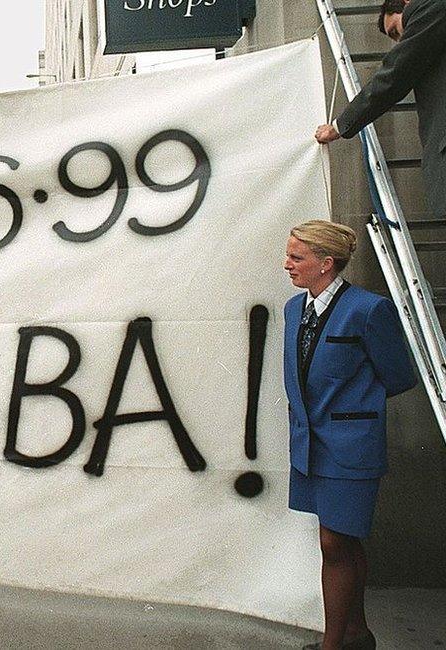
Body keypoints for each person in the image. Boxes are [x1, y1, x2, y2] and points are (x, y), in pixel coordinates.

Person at [283, 220, 416, 650]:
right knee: (343, 538)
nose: (287, 265)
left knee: (333, 540)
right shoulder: (292, 309)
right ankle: (357, 634)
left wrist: (354, 412)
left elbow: (397, 375)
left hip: (350, 448)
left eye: (296, 257)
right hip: (310, 445)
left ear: (326, 263)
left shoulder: (368, 309)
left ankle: (332, 644)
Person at [314, 0, 446, 218]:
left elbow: (395, 74)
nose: (400, 41)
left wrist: (339, 126)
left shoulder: (431, 8)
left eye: (395, 31)